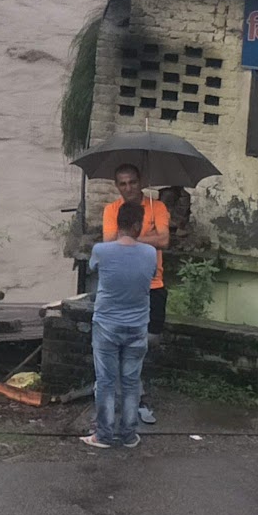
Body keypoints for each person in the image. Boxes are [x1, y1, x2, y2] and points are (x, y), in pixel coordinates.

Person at [83, 200, 158, 449]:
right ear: (137, 225)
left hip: (106, 324)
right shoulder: (149, 253)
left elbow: (92, 268)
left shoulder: (101, 250)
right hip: (137, 326)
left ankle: (103, 435)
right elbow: (151, 276)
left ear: (118, 223)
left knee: (105, 381)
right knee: (131, 382)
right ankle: (128, 435)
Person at [102, 164, 170, 423]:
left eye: (132, 182)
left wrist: (131, 239)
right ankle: (135, 397)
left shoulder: (157, 208)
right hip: (124, 286)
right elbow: (109, 243)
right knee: (121, 341)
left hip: (153, 285)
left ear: (140, 182)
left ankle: (134, 390)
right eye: (123, 183)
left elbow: (164, 240)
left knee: (148, 341)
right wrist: (146, 237)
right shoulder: (111, 210)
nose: (128, 188)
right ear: (117, 186)